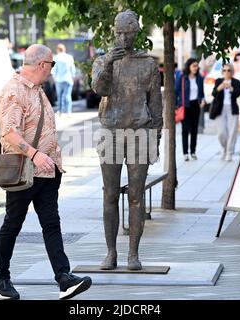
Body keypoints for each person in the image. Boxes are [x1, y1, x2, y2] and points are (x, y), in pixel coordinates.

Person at [0, 44, 91, 300]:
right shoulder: (14, 91)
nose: (51, 70)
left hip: (47, 173)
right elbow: (9, 133)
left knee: (51, 224)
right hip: (25, 173)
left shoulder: (37, 90)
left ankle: (64, 279)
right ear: (41, 65)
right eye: (51, 64)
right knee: (12, 224)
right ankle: (1, 279)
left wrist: (50, 161)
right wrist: (35, 154)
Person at [91, 10, 163, 271]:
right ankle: (111, 252)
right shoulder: (103, 61)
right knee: (109, 194)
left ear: (136, 32)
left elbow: (156, 105)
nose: (123, 37)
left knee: (136, 195)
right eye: (119, 32)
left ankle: (133, 254)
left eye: (128, 32)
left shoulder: (148, 63)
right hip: (110, 133)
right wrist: (109, 61)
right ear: (114, 32)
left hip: (140, 133)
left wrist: (156, 137)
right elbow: (98, 88)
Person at [175, 58, 205, 161]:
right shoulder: (182, 77)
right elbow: (176, 91)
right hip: (185, 105)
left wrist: (203, 100)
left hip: (195, 105)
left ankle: (193, 151)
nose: (196, 68)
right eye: (194, 66)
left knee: (194, 129)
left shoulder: (199, 78)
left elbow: (201, 92)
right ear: (189, 66)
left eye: (197, 66)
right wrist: (176, 106)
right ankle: (185, 153)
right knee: (185, 130)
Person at [212, 63, 240, 162]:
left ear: (232, 71)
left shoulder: (236, 82)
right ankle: (224, 147)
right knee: (221, 133)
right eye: (224, 70)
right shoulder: (218, 81)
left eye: (229, 70)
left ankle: (229, 152)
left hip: (232, 109)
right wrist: (219, 88)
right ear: (222, 72)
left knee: (232, 132)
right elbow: (213, 93)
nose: (226, 72)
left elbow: (238, 93)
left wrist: (231, 88)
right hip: (220, 109)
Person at [52, 43, 76, 117]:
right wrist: (73, 76)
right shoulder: (69, 57)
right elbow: (72, 68)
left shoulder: (56, 57)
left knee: (59, 96)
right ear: (64, 49)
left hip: (59, 79)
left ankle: (60, 111)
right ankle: (68, 112)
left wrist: (54, 77)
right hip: (68, 79)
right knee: (68, 96)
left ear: (57, 50)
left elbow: (54, 69)